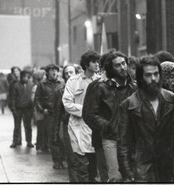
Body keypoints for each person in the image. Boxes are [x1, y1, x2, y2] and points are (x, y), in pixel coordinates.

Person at [117, 55, 174, 182]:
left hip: (165, 166)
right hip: (141, 168)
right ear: (140, 78)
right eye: (148, 75)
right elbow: (123, 143)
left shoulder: (170, 98)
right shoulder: (129, 105)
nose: (153, 79)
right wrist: (127, 172)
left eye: (156, 74)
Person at [84, 51, 138, 182]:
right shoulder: (98, 86)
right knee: (112, 177)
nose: (123, 67)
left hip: (132, 140)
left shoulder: (134, 86)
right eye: (118, 65)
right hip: (108, 139)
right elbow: (89, 114)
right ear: (110, 68)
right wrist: (108, 126)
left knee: (133, 177)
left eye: (124, 63)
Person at [62, 50, 100, 182]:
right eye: (94, 62)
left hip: (95, 129)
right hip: (78, 129)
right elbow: (67, 103)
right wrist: (86, 111)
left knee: (94, 170)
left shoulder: (101, 81)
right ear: (86, 64)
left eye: (98, 61)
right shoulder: (73, 81)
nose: (97, 64)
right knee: (81, 167)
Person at [34, 64, 64, 169]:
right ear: (47, 72)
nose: (54, 72)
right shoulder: (42, 84)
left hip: (62, 114)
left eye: (56, 70)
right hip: (50, 114)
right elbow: (37, 99)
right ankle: (56, 160)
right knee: (53, 137)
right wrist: (42, 109)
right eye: (52, 70)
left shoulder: (62, 83)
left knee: (62, 137)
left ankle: (63, 159)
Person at [52, 64, 79, 181]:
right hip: (68, 126)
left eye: (71, 72)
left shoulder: (84, 87)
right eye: (67, 73)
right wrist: (55, 135)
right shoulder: (60, 91)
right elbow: (57, 115)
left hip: (83, 126)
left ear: (76, 73)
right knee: (71, 158)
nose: (69, 75)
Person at [9, 70, 34, 148]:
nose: (26, 78)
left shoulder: (31, 84)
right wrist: (13, 109)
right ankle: (15, 141)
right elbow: (13, 98)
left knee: (28, 126)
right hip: (19, 108)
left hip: (28, 108)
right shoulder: (16, 85)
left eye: (28, 77)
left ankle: (29, 141)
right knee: (17, 126)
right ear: (22, 77)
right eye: (25, 77)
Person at [31, 69, 46, 148]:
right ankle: (40, 145)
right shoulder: (36, 87)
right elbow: (33, 99)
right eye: (44, 75)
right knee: (40, 128)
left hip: (41, 110)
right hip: (39, 111)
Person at [7, 66, 21, 145]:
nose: (16, 72)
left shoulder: (23, 81)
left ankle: (20, 140)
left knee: (26, 125)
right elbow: (10, 95)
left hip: (23, 105)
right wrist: (12, 107)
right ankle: (16, 140)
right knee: (17, 124)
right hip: (16, 106)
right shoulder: (12, 83)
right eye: (14, 71)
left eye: (17, 71)